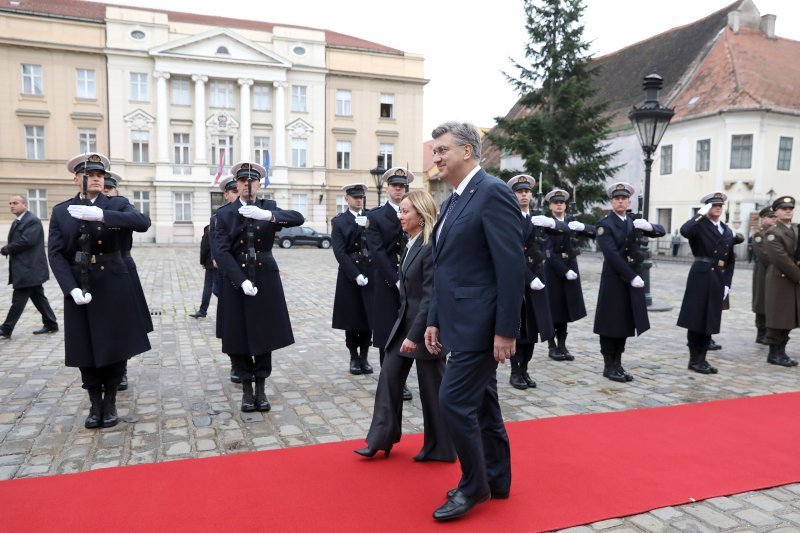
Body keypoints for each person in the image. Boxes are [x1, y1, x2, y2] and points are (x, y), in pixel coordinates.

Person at [424, 122, 524, 521]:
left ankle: (474, 485)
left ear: (467, 151)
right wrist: (433, 320)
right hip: (455, 320)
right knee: (483, 405)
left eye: (443, 150)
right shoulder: (451, 201)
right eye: (434, 151)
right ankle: (497, 478)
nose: (436, 158)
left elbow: (511, 267)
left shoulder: (493, 193)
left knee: (453, 402)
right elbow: (444, 268)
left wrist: (506, 330)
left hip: (482, 325)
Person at [48, 153, 151, 428]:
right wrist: (70, 288)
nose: (95, 178)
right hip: (80, 283)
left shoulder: (117, 203)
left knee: (114, 344)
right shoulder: (61, 211)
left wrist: (102, 214)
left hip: (113, 281)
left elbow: (142, 223)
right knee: (85, 345)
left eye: (99, 175)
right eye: (89, 174)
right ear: (76, 179)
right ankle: (95, 403)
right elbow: (56, 254)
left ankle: (111, 402)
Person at [355, 190, 455, 462]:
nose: (400, 216)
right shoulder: (411, 243)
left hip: (427, 330)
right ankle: (380, 439)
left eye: (405, 211)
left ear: (421, 216)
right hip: (405, 326)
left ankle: (441, 448)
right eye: (400, 210)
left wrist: (414, 336)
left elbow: (430, 296)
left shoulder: (430, 247)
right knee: (388, 378)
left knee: (432, 391)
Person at [214, 162, 304, 412]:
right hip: (236, 279)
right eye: (243, 181)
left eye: (252, 181)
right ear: (237, 184)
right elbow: (220, 252)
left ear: (259, 184)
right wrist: (240, 280)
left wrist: (269, 217)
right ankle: (245, 387)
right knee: (237, 335)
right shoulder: (224, 214)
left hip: (265, 276)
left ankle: (261, 387)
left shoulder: (268, 208)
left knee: (264, 334)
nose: (247, 184)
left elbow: (298, 218)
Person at [593, 182, 665, 383]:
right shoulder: (604, 224)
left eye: (624, 198)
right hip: (615, 280)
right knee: (610, 323)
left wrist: (650, 226)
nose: (621, 201)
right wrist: (632, 276)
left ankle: (618, 362)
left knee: (624, 322)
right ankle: (609, 365)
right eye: (617, 198)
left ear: (629, 201)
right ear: (612, 201)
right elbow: (612, 255)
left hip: (630, 280)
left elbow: (661, 231)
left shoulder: (633, 221)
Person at [676, 192, 736, 374]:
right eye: (713, 205)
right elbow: (685, 231)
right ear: (706, 207)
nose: (717, 208)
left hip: (718, 277)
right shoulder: (699, 225)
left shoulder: (725, 230)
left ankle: (703, 358)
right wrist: (699, 214)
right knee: (696, 318)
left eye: (719, 205)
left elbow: (731, 260)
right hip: (701, 275)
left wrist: (727, 284)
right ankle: (694, 360)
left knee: (710, 318)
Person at [103, 170, 152, 391]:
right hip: (94, 272)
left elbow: (142, 221)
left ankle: (120, 370)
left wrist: (106, 214)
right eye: (103, 189)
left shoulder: (122, 205)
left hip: (122, 267)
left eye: (109, 189)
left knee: (122, 322)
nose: (106, 193)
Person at [367, 167, 413, 401]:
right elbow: (376, 252)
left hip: (410, 280)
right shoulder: (376, 216)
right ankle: (390, 379)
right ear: (387, 188)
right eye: (395, 185)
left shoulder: (414, 213)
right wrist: (394, 280)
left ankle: (402, 379)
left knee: (407, 330)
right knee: (387, 333)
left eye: (402, 186)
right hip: (387, 282)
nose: (398, 189)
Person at [506, 175, 554, 389]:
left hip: (537, 279)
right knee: (519, 328)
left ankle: (525, 368)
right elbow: (511, 255)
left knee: (533, 327)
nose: (524, 195)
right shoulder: (509, 219)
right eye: (519, 191)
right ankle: (515, 370)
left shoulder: (537, 219)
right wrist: (529, 277)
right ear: (513, 195)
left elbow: (549, 244)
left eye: (527, 191)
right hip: (518, 281)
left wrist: (552, 223)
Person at [542, 188, 595, 361]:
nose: (559, 205)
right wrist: (564, 271)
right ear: (550, 206)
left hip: (571, 267)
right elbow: (548, 252)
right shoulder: (546, 224)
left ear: (565, 205)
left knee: (565, 309)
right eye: (555, 203)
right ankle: (552, 346)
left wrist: (583, 226)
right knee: (552, 309)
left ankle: (563, 346)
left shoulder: (572, 222)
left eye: (561, 202)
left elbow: (596, 231)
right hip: (553, 271)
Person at [0, 195, 59, 339]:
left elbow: (27, 241)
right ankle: (51, 324)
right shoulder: (18, 221)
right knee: (38, 297)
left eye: (15, 203)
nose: (12, 205)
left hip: (29, 269)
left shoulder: (32, 220)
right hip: (25, 268)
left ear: (25, 205)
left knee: (18, 300)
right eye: (10, 203)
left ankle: (6, 328)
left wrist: (7, 248)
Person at [331, 183, 374, 375]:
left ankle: (364, 356)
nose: (359, 200)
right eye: (355, 197)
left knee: (367, 317)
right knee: (352, 318)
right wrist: (355, 274)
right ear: (346, 199)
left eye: (361, 197)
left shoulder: (371, 218)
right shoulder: (340, 222)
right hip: (350, 274)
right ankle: (353, 357)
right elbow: (340, 252)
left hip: (370, 271)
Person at [763, 195, 800, 367]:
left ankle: (782, 352)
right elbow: (780, 259)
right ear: (775, 212)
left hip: (792, 280)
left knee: (789, 318)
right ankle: (774, 354)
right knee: (778, 317)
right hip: (780, 280)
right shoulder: (772, 232)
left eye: (790, 208)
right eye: (784, 209)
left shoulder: (796, 229)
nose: (788, 211)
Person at [213, 176, 241, 384]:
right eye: (233, 191)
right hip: (226, 274)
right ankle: (235, 362)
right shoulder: (220, 216)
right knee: (230, 324)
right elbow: (214, 243)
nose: (237, 194)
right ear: (226, 194)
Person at [751, 206, 777, 345]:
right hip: (763, 272)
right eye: (770, 217)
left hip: (775, 273)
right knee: (761, 301)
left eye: (774, 216)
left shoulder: (777, 234)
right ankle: (761, 333)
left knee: (772, 302)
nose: (773, 219)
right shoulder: (759, 236)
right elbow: (765, 256)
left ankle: (770, 332)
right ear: (763, 218)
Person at [189, 223, 215, 318]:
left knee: (209, 286)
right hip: (224, 262)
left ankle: (203, 310)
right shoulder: (227, 224)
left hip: (210, 263)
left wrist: (202, 261)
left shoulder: (209, 227)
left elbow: (204, 247)